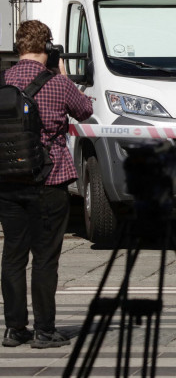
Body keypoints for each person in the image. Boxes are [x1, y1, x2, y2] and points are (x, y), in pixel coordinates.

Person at [1, 20, 92, 348]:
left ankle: (14, 329)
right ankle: (44, 330)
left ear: (19, 46)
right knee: (44, 257)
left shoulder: (3, 81)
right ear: (48, 46)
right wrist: (65, 75)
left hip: (8, 181)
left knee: (13, 255)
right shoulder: (57, 83)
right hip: (49, 179)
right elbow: (85, 111)